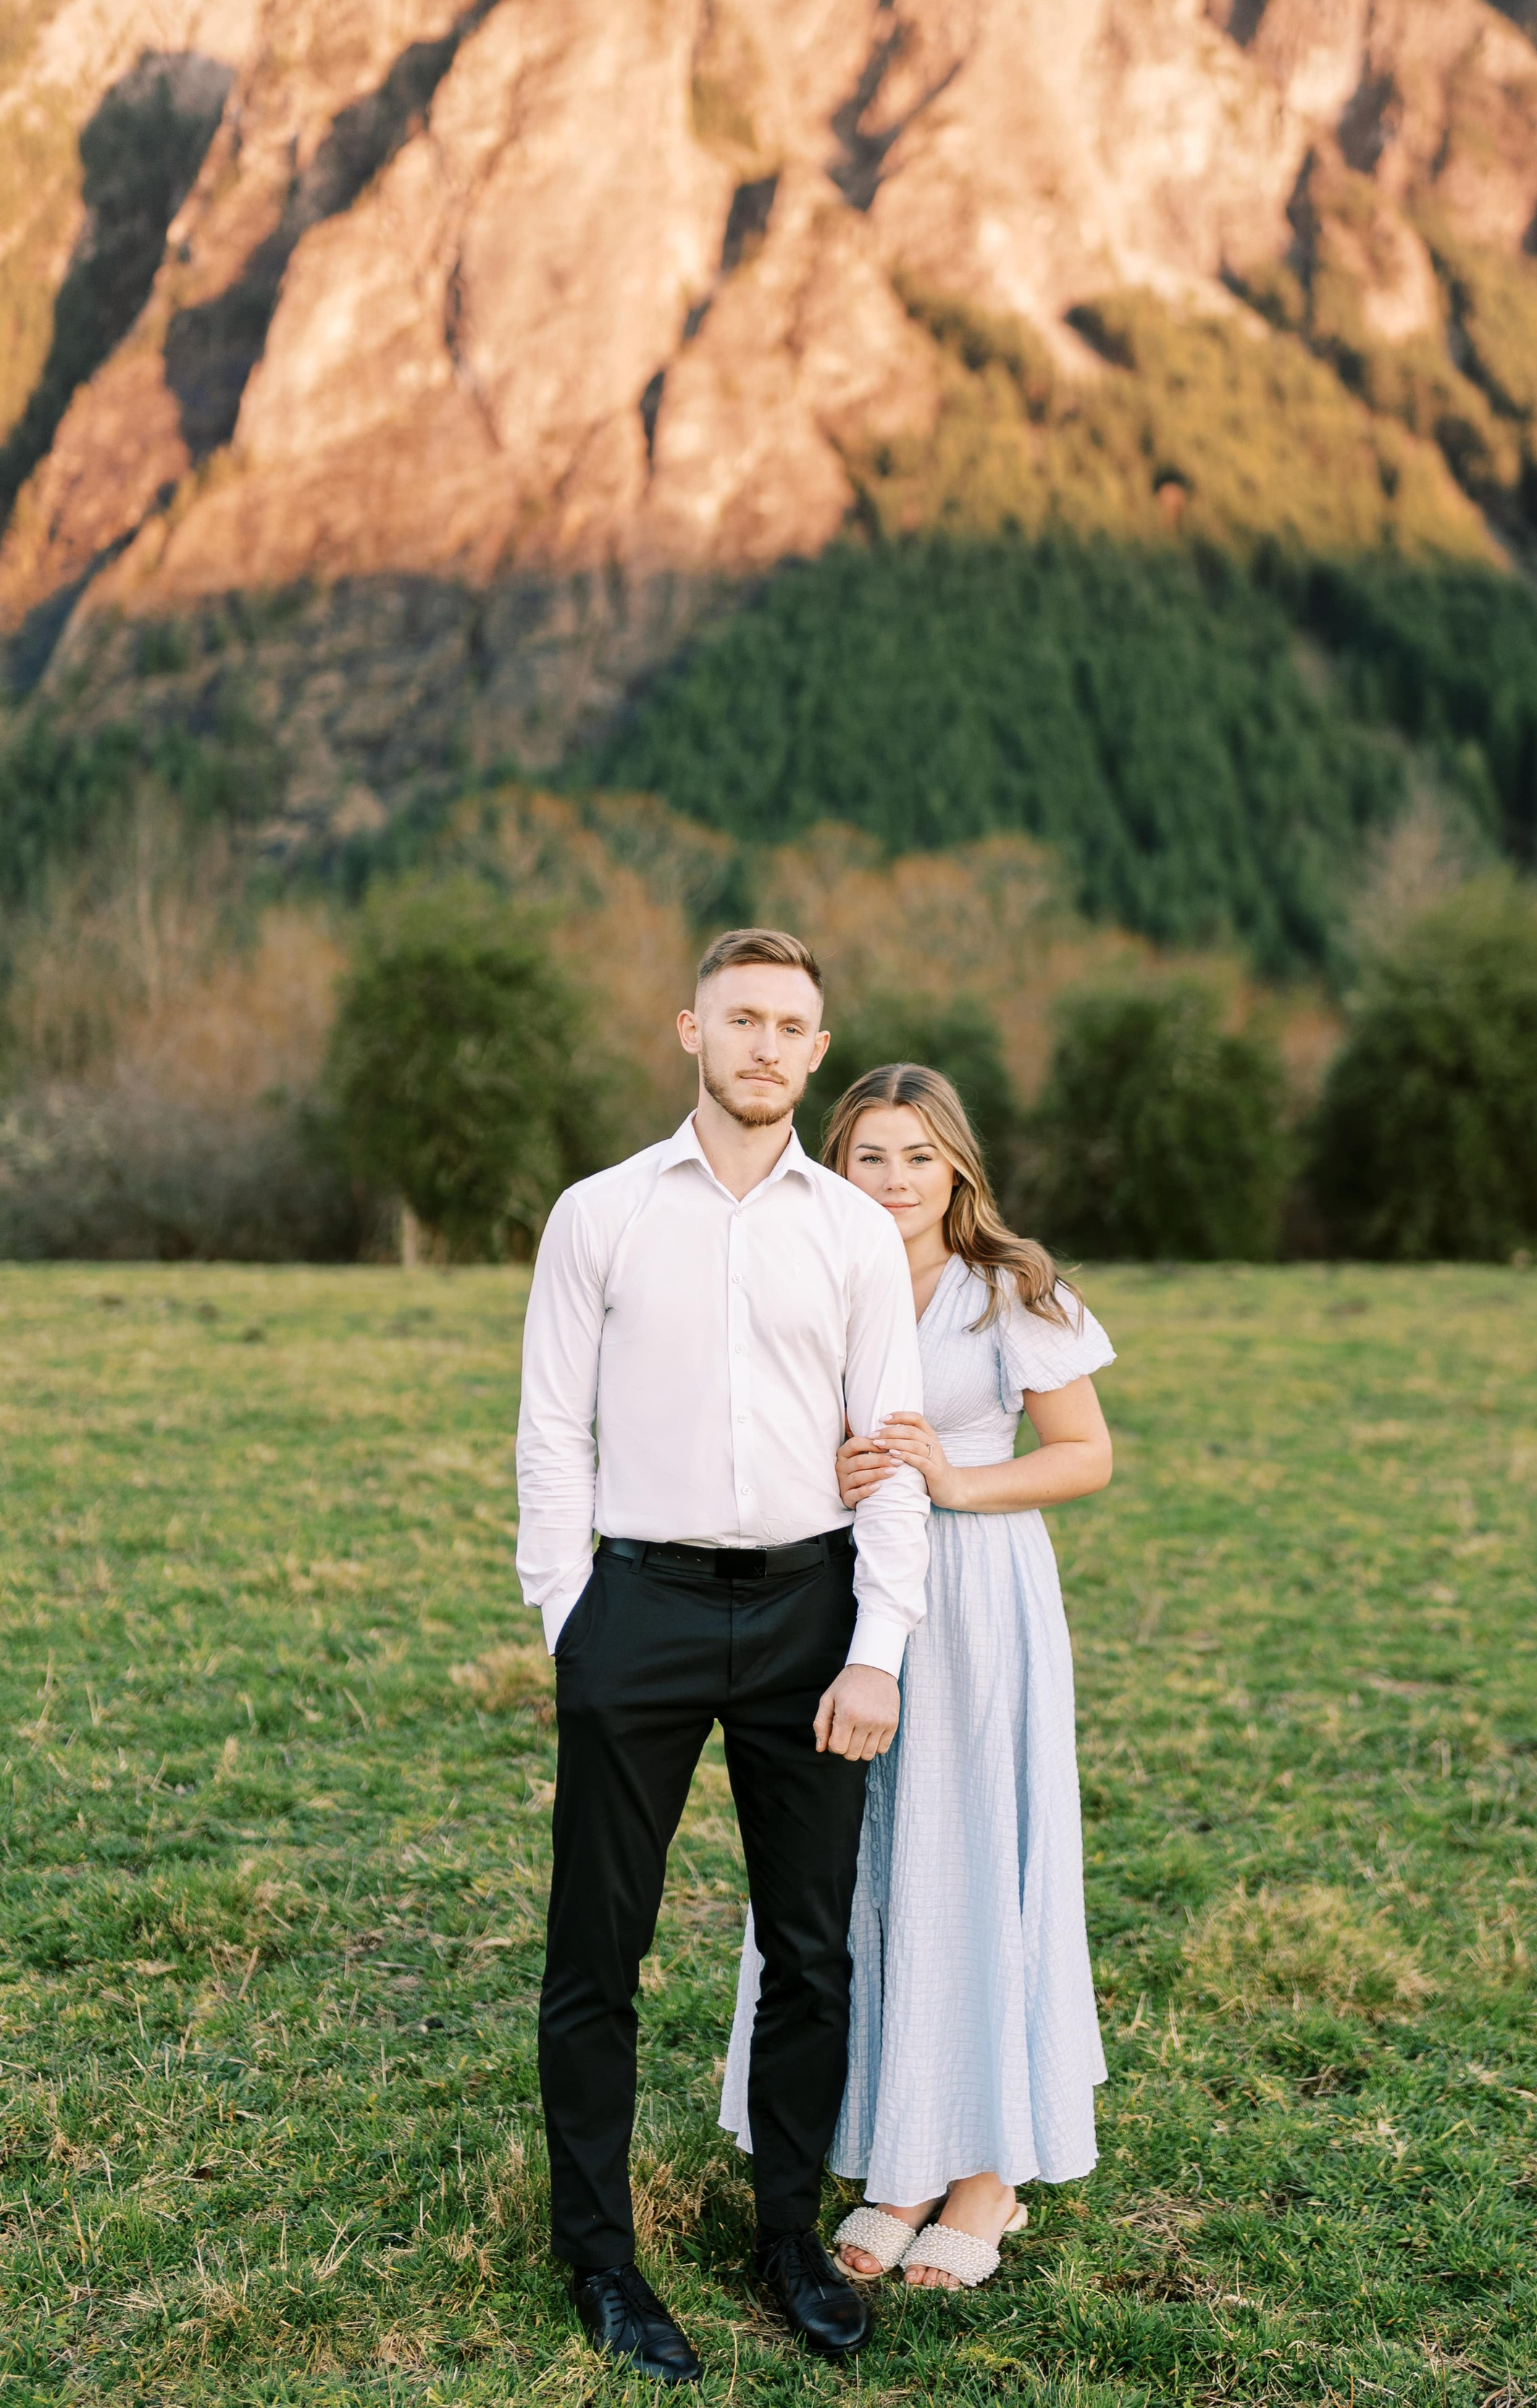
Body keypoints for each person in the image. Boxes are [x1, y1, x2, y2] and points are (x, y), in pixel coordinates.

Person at [515, 931, 930, 2380]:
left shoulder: (852, 1232)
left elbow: (889, 1452)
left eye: (789, 1025)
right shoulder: (601, 1214)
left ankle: (787, 2237)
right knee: (597, 1951)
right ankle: (601, 2259)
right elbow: (550, 1430)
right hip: (638, 1608)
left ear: (818, 1051)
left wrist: (877, 1648)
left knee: (811, 1950)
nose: (764, 1045)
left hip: (812, 1612)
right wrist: (570, 1619)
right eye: (740, 1018)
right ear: (690, 1030)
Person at [721, 1062, 1115, 2293]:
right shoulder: (811, 1275)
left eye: (918, 1157)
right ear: (835, 1166)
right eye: (870, 1157)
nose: (894, 1181)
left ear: (957, 1167)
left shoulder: (1012, 1290)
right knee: (871, 1861)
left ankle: (988, 2171)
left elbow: (1085, 1456)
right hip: (842, 1601)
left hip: (979, 1602)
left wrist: (954, 1481)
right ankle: (903, 2160)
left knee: (971, 1853)